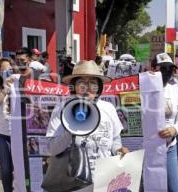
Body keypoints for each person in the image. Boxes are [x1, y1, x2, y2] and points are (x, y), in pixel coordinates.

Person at [46, 60, 129, 191]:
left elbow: (115, 140)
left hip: (104, 181)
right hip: (73, 183)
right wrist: (70, 131)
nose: (87, 87)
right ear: (74, 86)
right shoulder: (62, 109)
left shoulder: (108, 108)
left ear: (99, 87)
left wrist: (119, 150)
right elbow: (53, 149)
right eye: (82, 83)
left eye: (93, 83)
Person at [153, 53, 178, 191]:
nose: (166, 73)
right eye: (162, 69)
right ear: (153, 69)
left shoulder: (176, 90)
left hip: (169, 147)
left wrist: (174, 129)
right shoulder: (140, 90)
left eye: (170, 69)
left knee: (175, 188)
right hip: (146, 149)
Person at [0, 57, 18, 192]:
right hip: (2, 135)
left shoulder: (20, 84)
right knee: (6, 169)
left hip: (18, 134)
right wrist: (5, 89)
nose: (7, 72)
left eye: (9, 69)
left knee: (20, 168)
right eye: (3, 70)